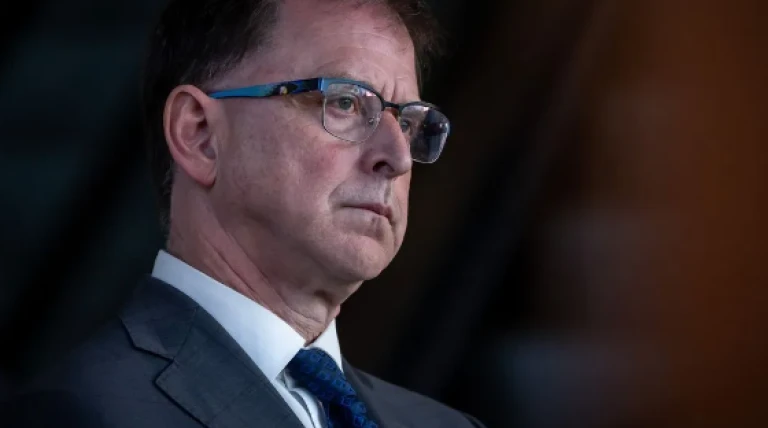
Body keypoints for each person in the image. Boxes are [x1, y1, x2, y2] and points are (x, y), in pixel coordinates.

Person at [3, 0, 485, 426]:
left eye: (409, 123)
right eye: (345, 102)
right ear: (200, 135)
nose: (398, 157)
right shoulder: (82, 412)